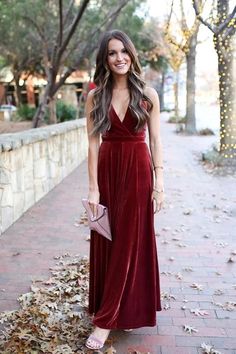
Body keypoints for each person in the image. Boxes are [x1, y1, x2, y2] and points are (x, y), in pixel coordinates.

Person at [84, 29, 164, 350]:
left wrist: (160, 184)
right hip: (107, 172)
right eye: (112, 53)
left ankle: (104, 322)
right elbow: (92, 144)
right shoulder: (95, 96)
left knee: (129, 242)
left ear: (131, 54)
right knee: (108, 239)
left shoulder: (148, 94)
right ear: (105, 59)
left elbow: (156, 140)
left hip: (137, 172)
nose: (119, 58)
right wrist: (92, 189)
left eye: (123, 52)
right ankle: (118, 306)